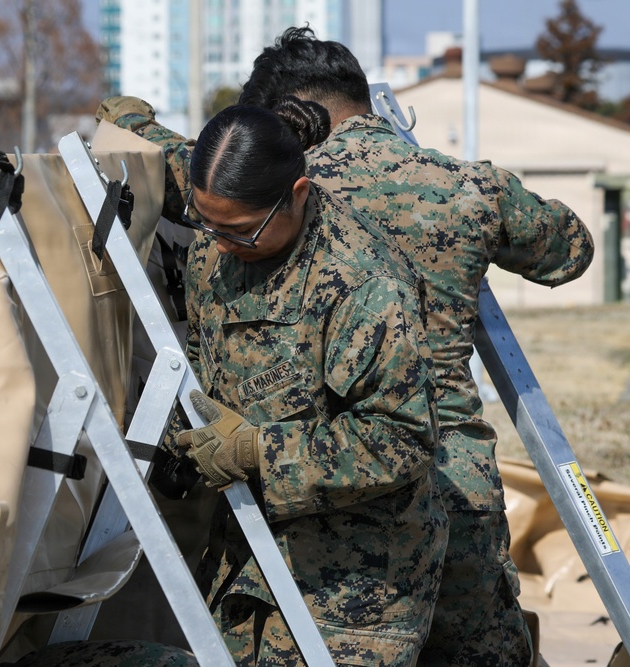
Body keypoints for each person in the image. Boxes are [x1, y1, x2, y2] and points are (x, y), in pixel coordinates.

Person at [95, 28, 593, 663]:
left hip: (336, 497)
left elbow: (171, 157)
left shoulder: (273, 192)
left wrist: (131, 120)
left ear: (290, 118)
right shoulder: (464, 188)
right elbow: (569, 251)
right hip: (455, 483)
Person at [145, 98, 449, 666]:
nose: (220, 242)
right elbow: (206, 355)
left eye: (240, 230)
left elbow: (402, 438)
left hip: (354, 589)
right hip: (246, 555)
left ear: (299, 194)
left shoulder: (363, 283)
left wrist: (258, 452)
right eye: (206, 223)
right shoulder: (220, 241)